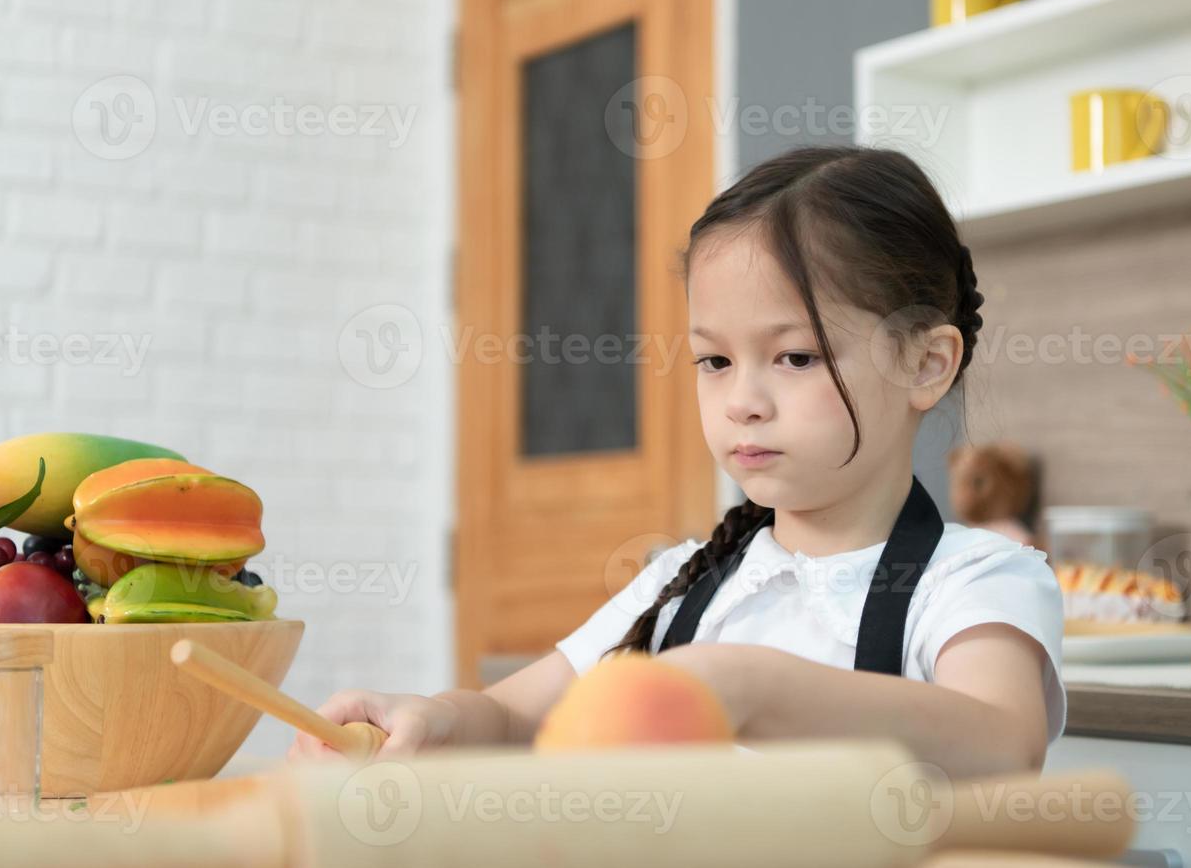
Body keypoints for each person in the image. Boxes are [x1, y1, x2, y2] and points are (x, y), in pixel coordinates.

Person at [291, 145, 1065, 779]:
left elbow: (1001, 741)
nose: (743, 401)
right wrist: (432, 718)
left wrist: (752, 688)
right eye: (714, 361)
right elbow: (514, 716)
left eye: (794, 357)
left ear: (926, 364)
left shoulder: (974, 582)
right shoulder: (683, 581)